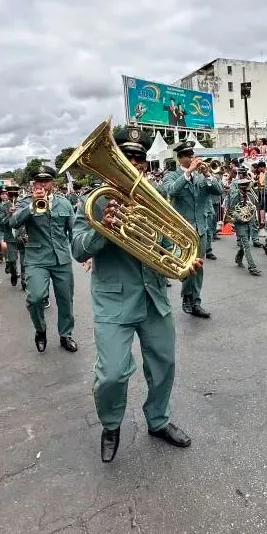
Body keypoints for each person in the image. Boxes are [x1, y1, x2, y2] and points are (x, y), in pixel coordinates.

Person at [71, 127, 201, 462]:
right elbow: (78, 248)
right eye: (126, 158)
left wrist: (185, 263)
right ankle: (111, 425)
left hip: (154, 296)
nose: (132, 164)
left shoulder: (156, 196)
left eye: (138, 159)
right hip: (113, 300)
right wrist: (105, 231)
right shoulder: (95, 201)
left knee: (164, 364)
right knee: (112, 373)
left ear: (144, 165)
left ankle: (158, 420)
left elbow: (170, 238)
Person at [10, 168, 76, 353]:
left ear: (52, 183)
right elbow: (13, 223)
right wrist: (32, 206)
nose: (42, 185)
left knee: (66, 300)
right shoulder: (25, 202)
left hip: (61, 258)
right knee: (35, 298)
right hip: (36, 259)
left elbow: (73, 231)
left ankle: (66, 335)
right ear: (33, 184)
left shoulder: (64, 203)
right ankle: (40, 329)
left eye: (45, 182)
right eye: (38, 182)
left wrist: (85, 256)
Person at [162, 141, 220, 318]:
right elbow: (171, 191)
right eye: (188, 155)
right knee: (187, 265)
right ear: (180, 158)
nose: (192, 158)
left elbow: (218, 191)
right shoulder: (171, 175)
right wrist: (188, 172)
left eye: (193, 155)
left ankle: (195, 300)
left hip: (201, 227)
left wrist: (209, 174)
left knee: (198, 265)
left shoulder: (202, 176)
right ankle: (187, 295)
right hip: (183, 229)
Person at [229, 177, 261, 276]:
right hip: (240, 223)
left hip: (248, 222)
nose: (244, 187)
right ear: (239, 186)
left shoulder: (250, 196)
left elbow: (252, 208)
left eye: (246, 185)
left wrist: (253, 208)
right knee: (246, 245)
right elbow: (231, 211)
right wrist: (240, 218)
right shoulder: (235, 196)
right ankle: (252, 267)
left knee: (245, 243)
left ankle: (238, 258)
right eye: (242, 185)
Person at [1, 186, 23, 287]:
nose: (13, 196)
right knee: (13, 259)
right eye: (11, 194)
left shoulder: (23, 204)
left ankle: (24, 280)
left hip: (22, 236)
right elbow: (2, 222)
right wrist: (9, 214)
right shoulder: (4, 206)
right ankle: (13, 273)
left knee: (24, 260)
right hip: (10, 237)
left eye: (15, 194)